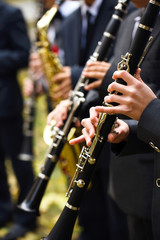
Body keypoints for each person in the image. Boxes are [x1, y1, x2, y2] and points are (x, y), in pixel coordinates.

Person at [69, 0, 160, 239]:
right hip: (126, 175)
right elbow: (110, 85)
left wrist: (148, 109)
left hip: (150, 176)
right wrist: (125, 128)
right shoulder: (130, 19)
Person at [47, 0, 136, 239]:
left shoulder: (126, 10)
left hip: (117, 124)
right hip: (84, 121)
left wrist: (76, 76)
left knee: (115, 217)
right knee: (89, 209)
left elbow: (120, 64)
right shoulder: (69, 20)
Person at [0, 1, 37, 240]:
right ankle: (4, 211)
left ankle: (27, 216)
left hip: (6, 103)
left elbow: (24, 55)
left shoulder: (11, 13)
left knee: (20, 163)